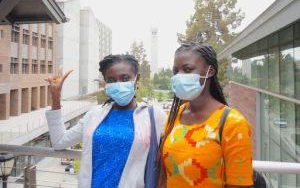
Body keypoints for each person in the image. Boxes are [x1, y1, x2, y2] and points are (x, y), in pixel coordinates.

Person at [45, 54, 167, 188]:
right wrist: (56, 98)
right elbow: (59, 142)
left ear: (137, 79)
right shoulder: (94, 114)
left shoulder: (154, 116)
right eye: (111, 80)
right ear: (105, 83)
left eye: (125, 78)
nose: (119, 84)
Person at [159, 42, 253, 187]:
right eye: (176, 71)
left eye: (188, 69)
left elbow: (239, 184)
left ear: (210, 71)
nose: (179, 76)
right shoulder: (175, 115)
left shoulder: (233, 123)